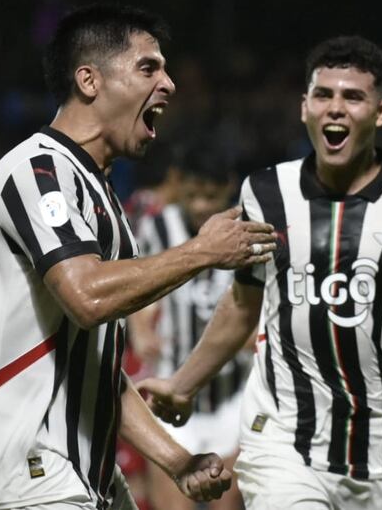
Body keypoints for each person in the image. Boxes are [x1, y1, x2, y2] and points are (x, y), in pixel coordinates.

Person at [137, 36, 382, 509]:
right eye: (324, 95)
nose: (335, 108)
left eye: (353, 97)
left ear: (380, 113)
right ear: (304, 108)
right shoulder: (266, 192)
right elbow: (242, 306)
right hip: (280, 437)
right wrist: (182, 384)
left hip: (379, 449)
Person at [0, 3, 276, 510]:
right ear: (89, 80)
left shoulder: (102, 199)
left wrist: (178, 461)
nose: (168, 83)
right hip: (31, 467)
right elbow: (86, 297)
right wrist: (201, 251)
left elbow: (99, 369)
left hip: (88, 475)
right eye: (149, 67)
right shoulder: (37, 170)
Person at [126, 146, 249, 510]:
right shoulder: (158, 228)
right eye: (192, 194)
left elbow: (260, 301)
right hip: (170, 394)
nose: (199, 206)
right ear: (179, 186)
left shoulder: (247, 232)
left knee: (225, 504)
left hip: (232, 399)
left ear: (228, 188)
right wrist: (140, 329)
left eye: (209, 196)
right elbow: (141, 287)